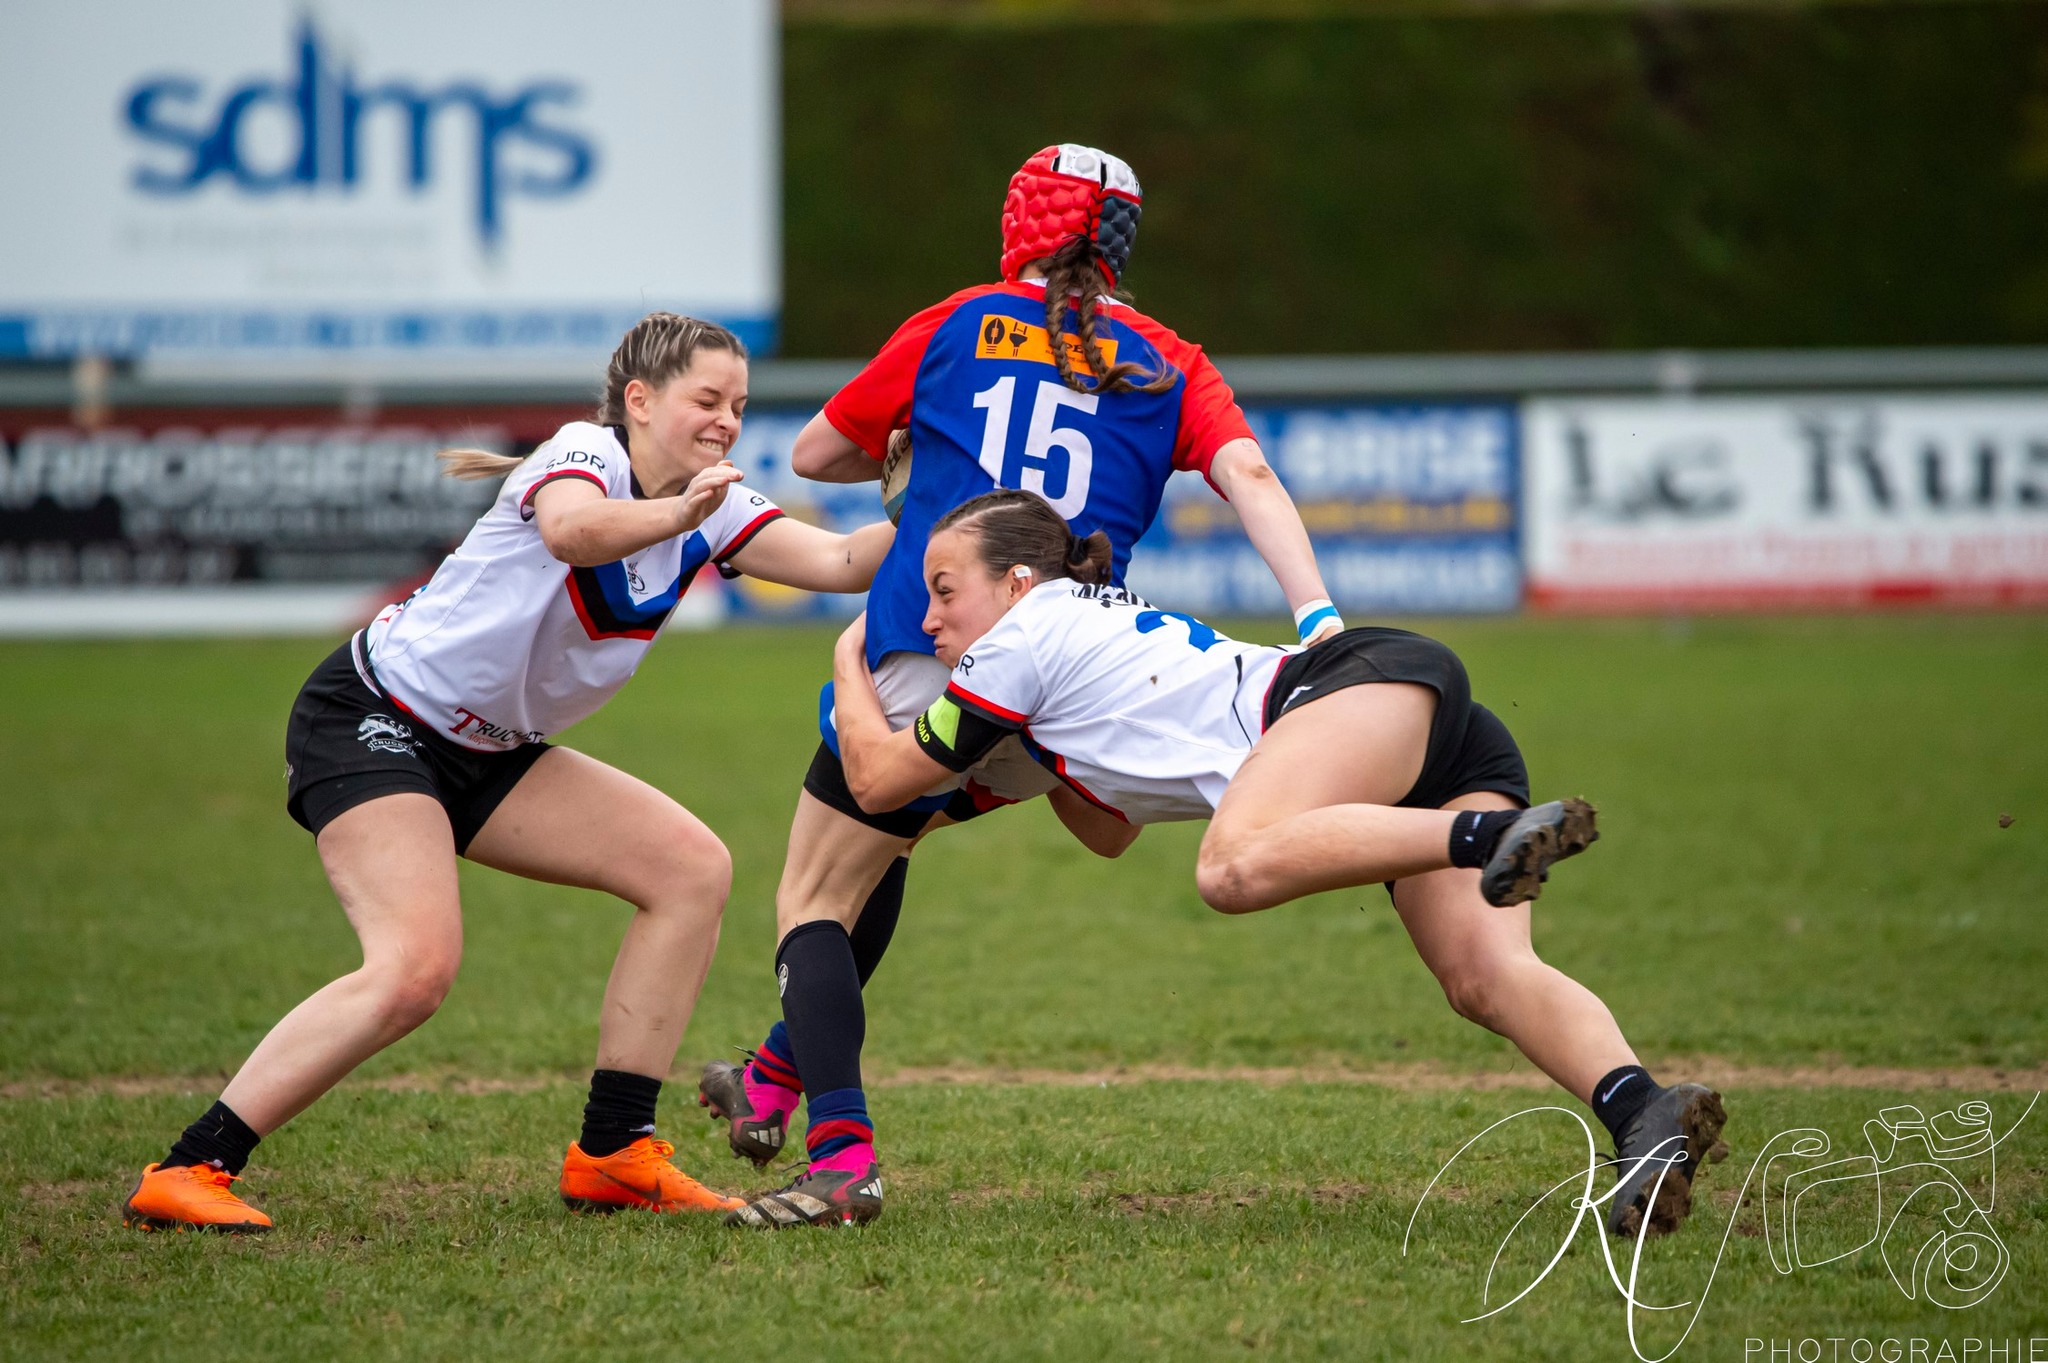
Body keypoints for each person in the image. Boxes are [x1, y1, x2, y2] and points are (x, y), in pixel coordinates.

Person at [121, 313, 895, 1233]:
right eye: (707, 400)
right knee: (415, 969)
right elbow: (574, 533)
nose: (728, 420)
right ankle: (189, 1165)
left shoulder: (710, 501)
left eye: (737, 403)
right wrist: (682, 513)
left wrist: (948, 513)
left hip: (488, 748)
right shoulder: (585, 454)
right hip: (374, 719)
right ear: (640, 402)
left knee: (690, 869)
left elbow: (844, 561)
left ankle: (613, 1148)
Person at [700, 144, 1346, 1229]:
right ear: (1122, 243)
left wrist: (910, 447)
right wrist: (1317, 618)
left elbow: (815, 454)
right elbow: (1250, 475)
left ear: (1018, 225)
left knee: (814, 890)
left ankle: (841, 1156)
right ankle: (769, 1077)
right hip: (1071, 679)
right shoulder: (1166, 359)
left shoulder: (953, 323)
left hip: (932, 644)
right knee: (889, 841)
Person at [823, 489, 1728, 1240]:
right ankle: (1643, 1110)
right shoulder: (1062, 643)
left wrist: (852, 660)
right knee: (1486, 976)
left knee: (1231, 868)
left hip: (1345, 695)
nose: (931, 616)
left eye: (943, 590)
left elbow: (874, 779)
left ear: (1018, 582)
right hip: (1399, 715)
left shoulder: (1017, 641)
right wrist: (1028, 748)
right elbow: (1111, 833)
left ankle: (1489, 840)